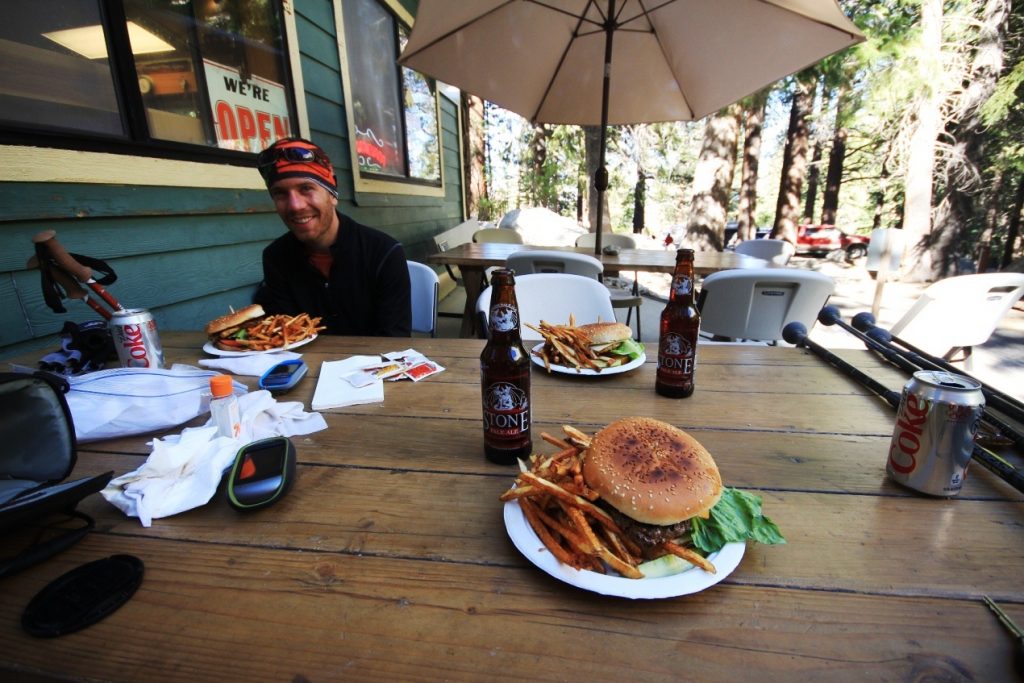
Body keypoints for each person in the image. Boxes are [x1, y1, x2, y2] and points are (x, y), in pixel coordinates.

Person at [254, 137, 411, 336]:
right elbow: (285, 339)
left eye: (306, 188)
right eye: (281, 193)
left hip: (376, 365)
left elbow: (395, 341)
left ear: (333, 193)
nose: (295, 205)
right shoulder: (275, 257)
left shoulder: (384, 253)